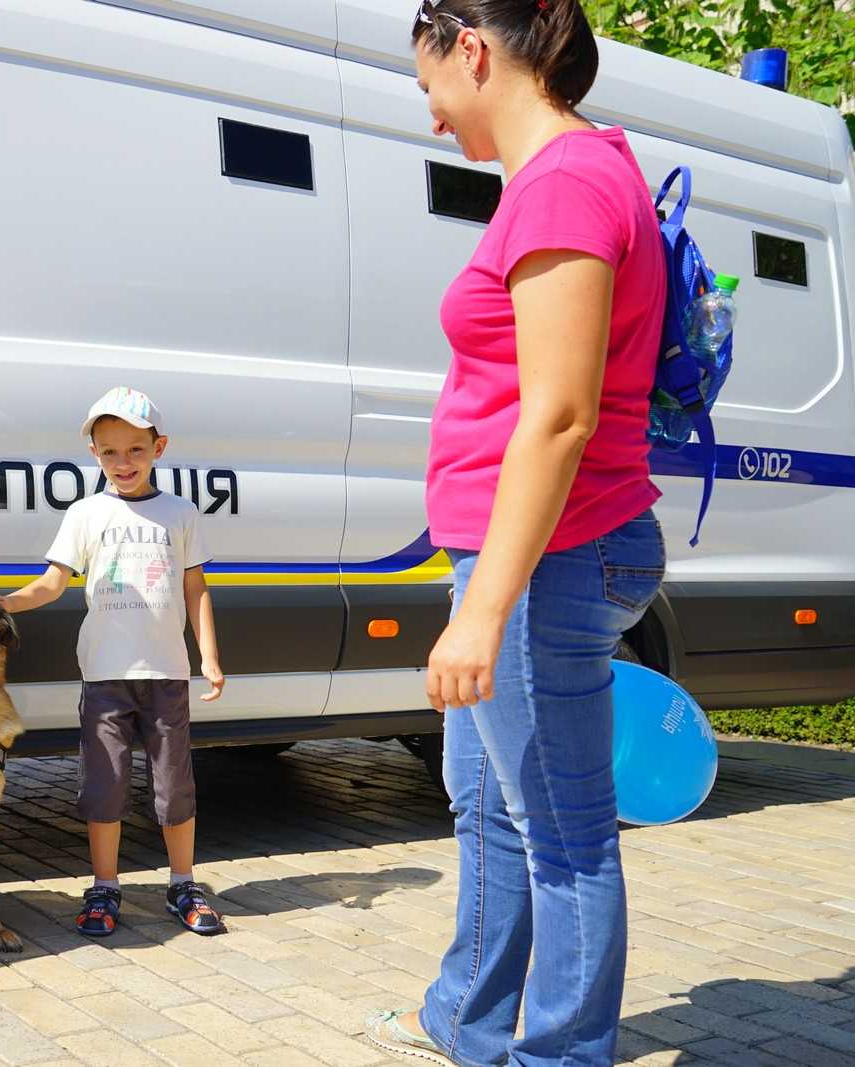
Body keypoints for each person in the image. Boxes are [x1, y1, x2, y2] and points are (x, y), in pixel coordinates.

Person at [366, 3, 667, 1064]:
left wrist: (484, 609)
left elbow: (559, 414)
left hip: (548, 557)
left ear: (474, 51)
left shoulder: (565, 183)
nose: (436, 120)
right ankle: (470, 1017)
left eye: (429, 88)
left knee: (564, 834)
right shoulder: (565, 177)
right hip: (525, 551)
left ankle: (559, 1051)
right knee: (489, 804)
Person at [0, 387, 228, 937]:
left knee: (175, 786)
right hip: (105, 677)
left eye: (135, 450)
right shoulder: (85, 513)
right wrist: (6, 602)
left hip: (166, 673)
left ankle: (183, 883)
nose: (123, 462)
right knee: (104, 786)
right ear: (95, 453)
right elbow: (52, 583)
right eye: (110, 451)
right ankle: (104, 887)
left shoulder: (180, 514)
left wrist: (208, 656)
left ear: (158, 448)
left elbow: (196, 587)